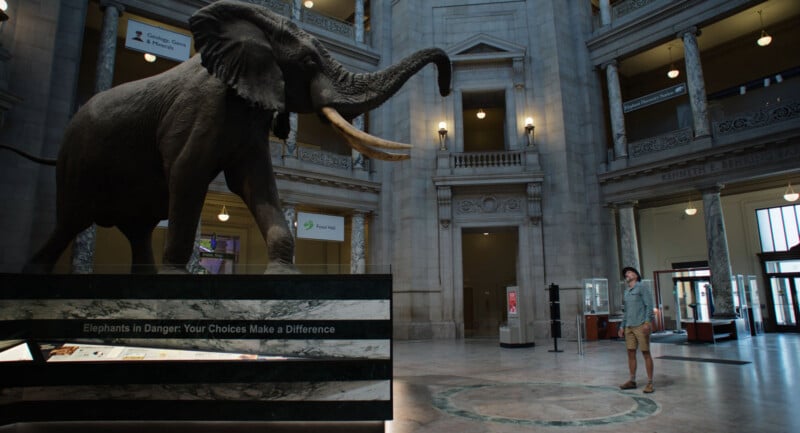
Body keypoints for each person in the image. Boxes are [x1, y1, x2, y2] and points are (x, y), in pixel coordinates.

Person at [617, 266, 655, 393]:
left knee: (645, 353)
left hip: (640, 325)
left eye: (629, 272)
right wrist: (622, 326)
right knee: (630, 353)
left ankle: (650, 383)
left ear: (636, 276)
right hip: (629, 326)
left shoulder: (642, 287)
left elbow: (649, 306)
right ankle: (632, 380)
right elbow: (626, 311)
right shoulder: (627, 292)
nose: (627, 274)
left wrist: (647, 322)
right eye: (626, 273)